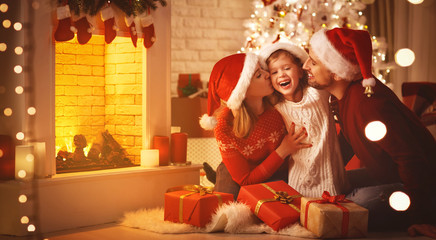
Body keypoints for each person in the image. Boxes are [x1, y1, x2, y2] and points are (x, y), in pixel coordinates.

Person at [303, 27, 436, 238]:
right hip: (389, 176)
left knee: (353, 204)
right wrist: (324, 174)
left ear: (337, 72)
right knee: (333, 187)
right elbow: (347, 141)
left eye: (313, 62)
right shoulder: (340, 97)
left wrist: (420, 217)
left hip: (424, 188)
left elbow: (412, 159)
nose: (305, 66)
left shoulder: (368, 104)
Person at [199, 53, 311, 199]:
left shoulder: (279, 104)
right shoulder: (224, 125)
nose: (267, 74)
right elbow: (245, 179)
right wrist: (283, 150)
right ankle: (218, 180)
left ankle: (217, 180)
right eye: (259, 75)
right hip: (243, 175)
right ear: (243, 91)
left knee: (273, 205)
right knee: (226, 207)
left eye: (262, 70)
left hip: (277, 170)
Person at [259, 42, 349, 198]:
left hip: (333, 181)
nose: (281, 74)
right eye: (274, 72)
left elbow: (335, 76)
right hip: (298, 185)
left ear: (301, 72)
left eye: (287, 68)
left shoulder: (317, 93)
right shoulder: (276, 107)